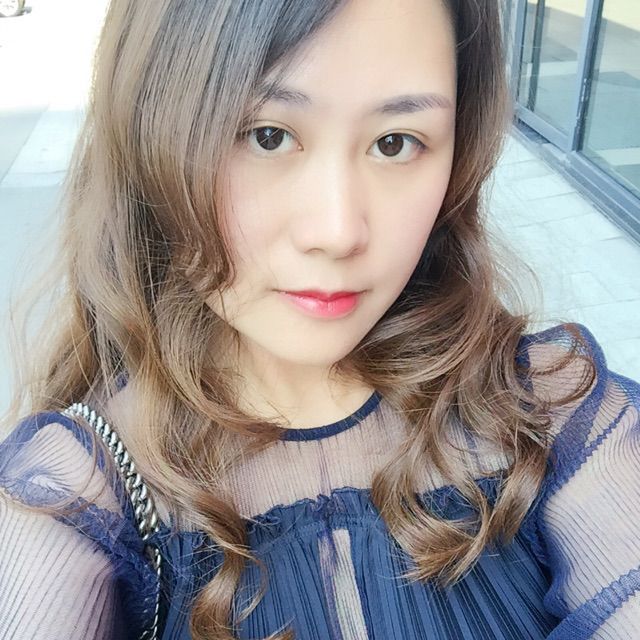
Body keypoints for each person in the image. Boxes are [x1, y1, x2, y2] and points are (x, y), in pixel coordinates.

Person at [0, 0, 638, 638]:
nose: (337, 232)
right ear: (147, 142)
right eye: (266, 135)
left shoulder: (553, 412)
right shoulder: (76, 497)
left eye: (395, 143)